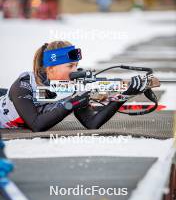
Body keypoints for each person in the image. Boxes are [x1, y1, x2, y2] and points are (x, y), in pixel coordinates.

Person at [0, 41, 147, 132]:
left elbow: (92, 123)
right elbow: (37, 125)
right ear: (51, 69)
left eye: (76, 66)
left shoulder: (73, 87)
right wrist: (73, 102)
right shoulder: (24, 85)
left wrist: (124, 95)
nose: (75, 71)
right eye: (70, 66)